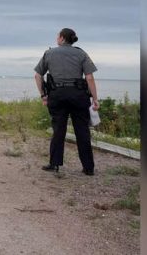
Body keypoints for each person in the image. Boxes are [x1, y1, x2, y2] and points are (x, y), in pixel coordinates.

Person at [34, 28, 100, 175]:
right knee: (82, 131)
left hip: (57, 95)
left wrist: (43, 95)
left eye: (57, 36)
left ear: (62, 38)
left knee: (58, 130)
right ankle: (88, 168)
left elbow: (38, 76)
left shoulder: (49, 53)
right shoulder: (81, 53)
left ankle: (54, 164)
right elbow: (89, 78)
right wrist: (95, 99)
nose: (56, 38)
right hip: (78, 95)